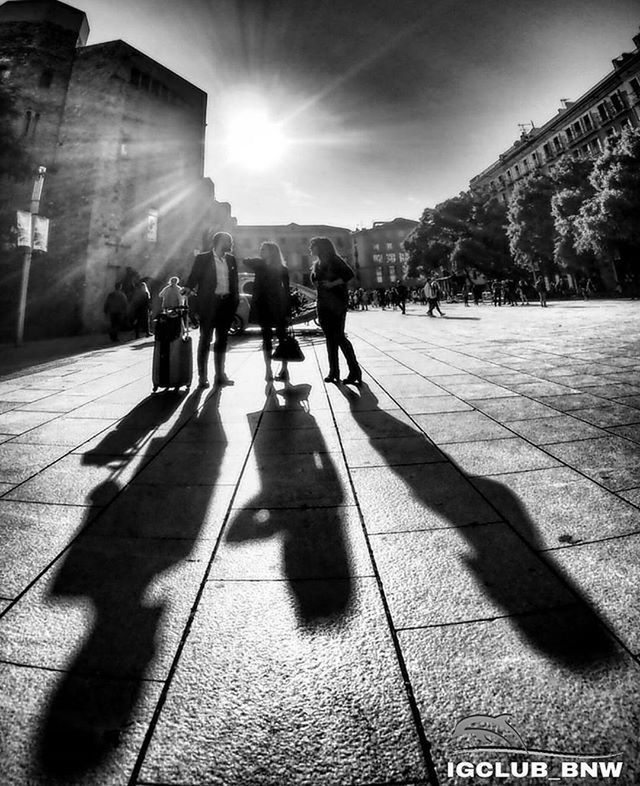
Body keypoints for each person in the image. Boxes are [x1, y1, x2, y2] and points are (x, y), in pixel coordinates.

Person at [184, 229, 239, 388]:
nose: (231, 244)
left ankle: (220, 375)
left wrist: (234, 301)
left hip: (226, 304)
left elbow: (234, 282)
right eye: (229, 241)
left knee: (222, 340)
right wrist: (187, 288)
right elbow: (194, 276)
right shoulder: (203, 258)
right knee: (205, 340)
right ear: (220, 242)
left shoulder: (231, 259)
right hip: (209, 304)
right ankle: (203, 377)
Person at [310, 236, 362, 385]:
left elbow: (349, 274)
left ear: (321, 247)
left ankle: (354, 370)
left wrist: (332, 284)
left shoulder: (335, 261)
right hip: (323, 304)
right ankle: (334, 372)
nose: (310, 249)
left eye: (313, 246)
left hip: (337, 303)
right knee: (329, 338)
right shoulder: (317, 265)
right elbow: (315, 281)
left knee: (339, 336)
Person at [244, 241, 291, 382]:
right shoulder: (259, 265)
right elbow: (245, 261)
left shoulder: (282, 269)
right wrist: (261, 259)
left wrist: (288, 312)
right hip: (263, 305)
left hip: (279, 305)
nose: (260, 251)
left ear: (272, 251)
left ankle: (284, 369)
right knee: (266, 338)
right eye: (260, 248)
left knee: (283, 338)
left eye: (263, 249)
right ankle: (268, 369)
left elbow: (287, 291)